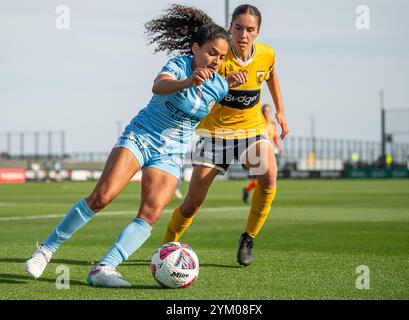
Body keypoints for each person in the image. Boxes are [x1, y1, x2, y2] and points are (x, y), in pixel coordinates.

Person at [24, 4, 245, 287]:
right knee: (101, 197)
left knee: (150, 214)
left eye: (222, 56)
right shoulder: (179, 66)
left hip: (172, 152)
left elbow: (214, 94)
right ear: (195, 49)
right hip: (141, 136)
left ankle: (104, 269)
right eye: (211, 52)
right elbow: (159, 86)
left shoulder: (219, 85)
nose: (216, 60)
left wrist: (229, 81)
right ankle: (46, 250)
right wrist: (187, 81)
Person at [163, 4, 289, 267]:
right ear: (230, 27)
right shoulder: (217, 57)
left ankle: (248, 237)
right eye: (238, 28)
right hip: (213, 135)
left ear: (258, 32)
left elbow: (271, 74)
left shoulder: (267, 54)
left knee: (269, 176)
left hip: (251, 131)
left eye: (250, 30)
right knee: (193, 202)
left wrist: (280, 110)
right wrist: (222, 84)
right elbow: (197, 96)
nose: (243, 34)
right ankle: (167, 247)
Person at [242, 103, 283, 204]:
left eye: (268, 111)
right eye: (264, 111)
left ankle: (248, 191)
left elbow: (274, 137)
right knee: (262, 176)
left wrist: (278, 146)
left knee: (268, 176)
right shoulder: (259, 123)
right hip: (260, 151)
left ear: (270, 112)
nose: (266, 113)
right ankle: (257, 196)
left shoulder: (273, 125)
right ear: (262, 112)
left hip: (271, 151)